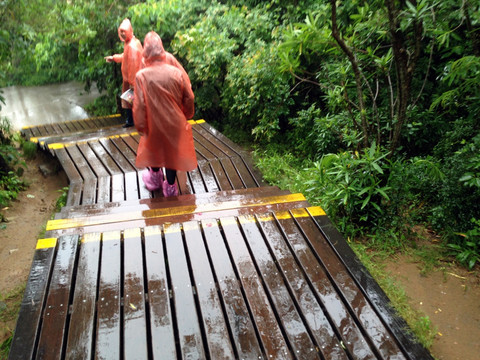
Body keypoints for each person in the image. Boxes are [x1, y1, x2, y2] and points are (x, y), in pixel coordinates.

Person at [133, 31, 196, 197]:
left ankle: (154, 179)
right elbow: (189, 96)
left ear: (145, 51)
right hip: (175, 122)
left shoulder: (141, 76)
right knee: (171, 154)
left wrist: (140, 125)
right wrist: (186, 114)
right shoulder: (176, 72)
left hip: (153, 123)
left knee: (153, 149)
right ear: (162, 49)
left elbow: (139, 105)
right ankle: (170, 186)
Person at [105, 18, 143, 128]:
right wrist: (114, 58)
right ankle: (132, 121)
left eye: (124, 32)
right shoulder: (130, 42)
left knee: (132, 100)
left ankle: (133, 122)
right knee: (130, 100)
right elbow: (125, 57)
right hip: (130, 79)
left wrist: (132, 83)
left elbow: (134, 65)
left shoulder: (132, 46)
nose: (122, 34)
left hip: (133, 80)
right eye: (121, 31)